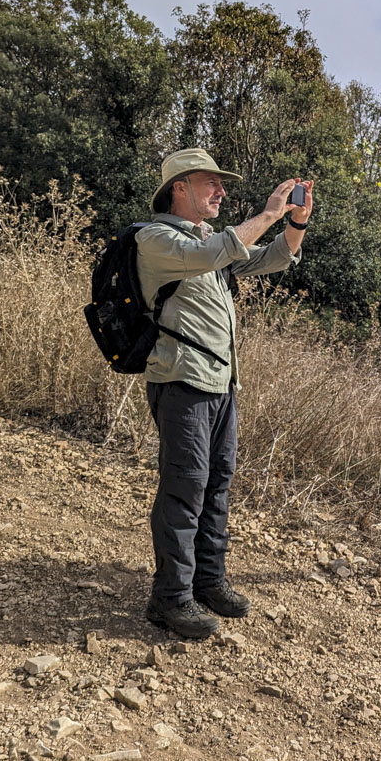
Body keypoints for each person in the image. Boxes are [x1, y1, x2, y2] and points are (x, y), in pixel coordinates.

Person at [136, 148, 312, 639]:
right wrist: (268, 214)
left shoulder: (212, 241)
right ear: (179, 188)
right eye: (210, 183)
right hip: (180, 381)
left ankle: (208, 581)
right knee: (185, 485)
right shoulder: (156, 239)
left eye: (220, 183)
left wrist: (294, 224)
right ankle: (170, 599)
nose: (221, 191)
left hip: (220, 383)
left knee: (216, 484)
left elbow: (273, 257)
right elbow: (216, 254)